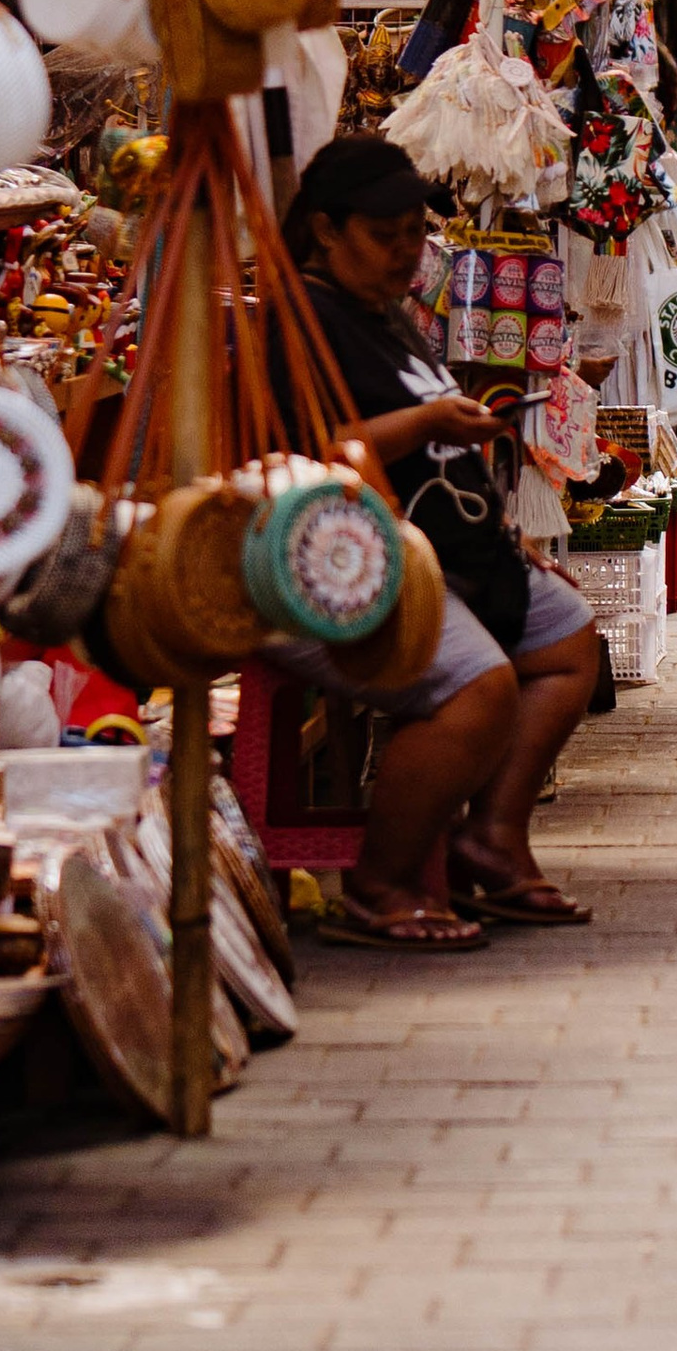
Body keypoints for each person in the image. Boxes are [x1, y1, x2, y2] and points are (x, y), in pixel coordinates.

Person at [279, 136, 602, 949]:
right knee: (479, 685)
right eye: (384, 236)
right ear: (325, 229)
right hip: (341, 561)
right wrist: (426, 420)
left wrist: (497, 529)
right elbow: (308, 451)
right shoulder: (302, 319)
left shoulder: (384, 315)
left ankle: (490, 841)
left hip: (446, 546)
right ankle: (380, 883)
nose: (404, 253)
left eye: (414, 235)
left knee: (569, 640)